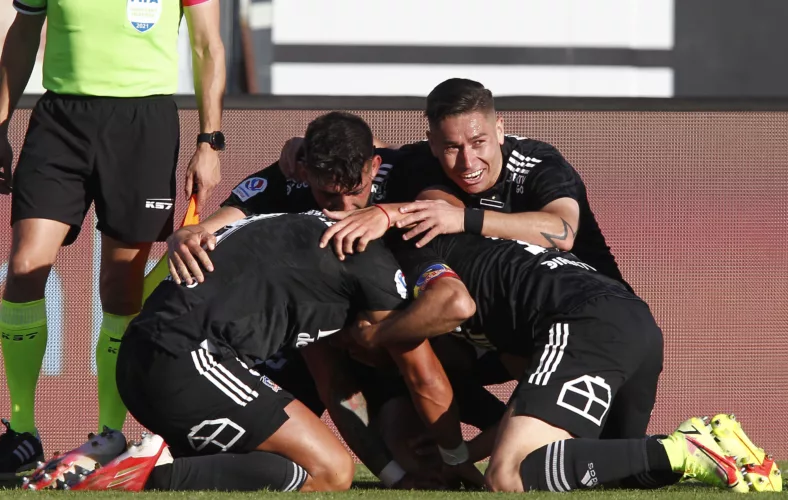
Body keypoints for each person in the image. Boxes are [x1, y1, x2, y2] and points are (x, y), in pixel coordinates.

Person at [165, 111, 505, 488]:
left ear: (374, 166)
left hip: (406, 333)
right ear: (307, 171)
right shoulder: (288, 177)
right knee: (274, 459)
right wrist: (189, 233)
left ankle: (519, 427)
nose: (342, 213)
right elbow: (219, 224)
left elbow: (452, 210)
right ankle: (157, 462)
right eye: (328, 195)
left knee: (450, 397)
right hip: (321, 343)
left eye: (356, 193)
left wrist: (384, 214)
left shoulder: (403, 168)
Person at [39, 210, 476, 492]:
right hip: (186, 358)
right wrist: (453, 460)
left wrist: (393, 477)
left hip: (143, 360)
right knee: (332, 471)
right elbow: (418, 375)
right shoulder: (367, 261)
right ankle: (141, 475)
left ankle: (119, 457)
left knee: (293, 469)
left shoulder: (298, 238)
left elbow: (338, 390)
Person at [352, 202, 755, 492]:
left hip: (583, 320)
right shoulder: (500, 298)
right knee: (612, 470)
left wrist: (374, 337)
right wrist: (467, 451)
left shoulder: (412, 253)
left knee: (508, 476)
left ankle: (683, 449)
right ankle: (717, 444)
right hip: (633, 319)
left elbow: (453, 304)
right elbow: (525, 404)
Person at [0, 0, 225, 477]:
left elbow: (208, 45)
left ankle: (109, 434)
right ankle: (23, 432)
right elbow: (22, 34)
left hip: (144, 125)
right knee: (23, 269)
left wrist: (211, 139)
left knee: (121, 289)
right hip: (60, 120)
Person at [310, 78, 632, 293]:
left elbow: (562, 231)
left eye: (479, 142)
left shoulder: (538, 163)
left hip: (600, 304)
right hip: (515, 310)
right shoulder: (425, 161)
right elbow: (371, 151)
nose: (468, 162)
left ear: (500, 130)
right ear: (433, 144)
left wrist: (463, 219)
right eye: (452, 147)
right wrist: (303, 147)